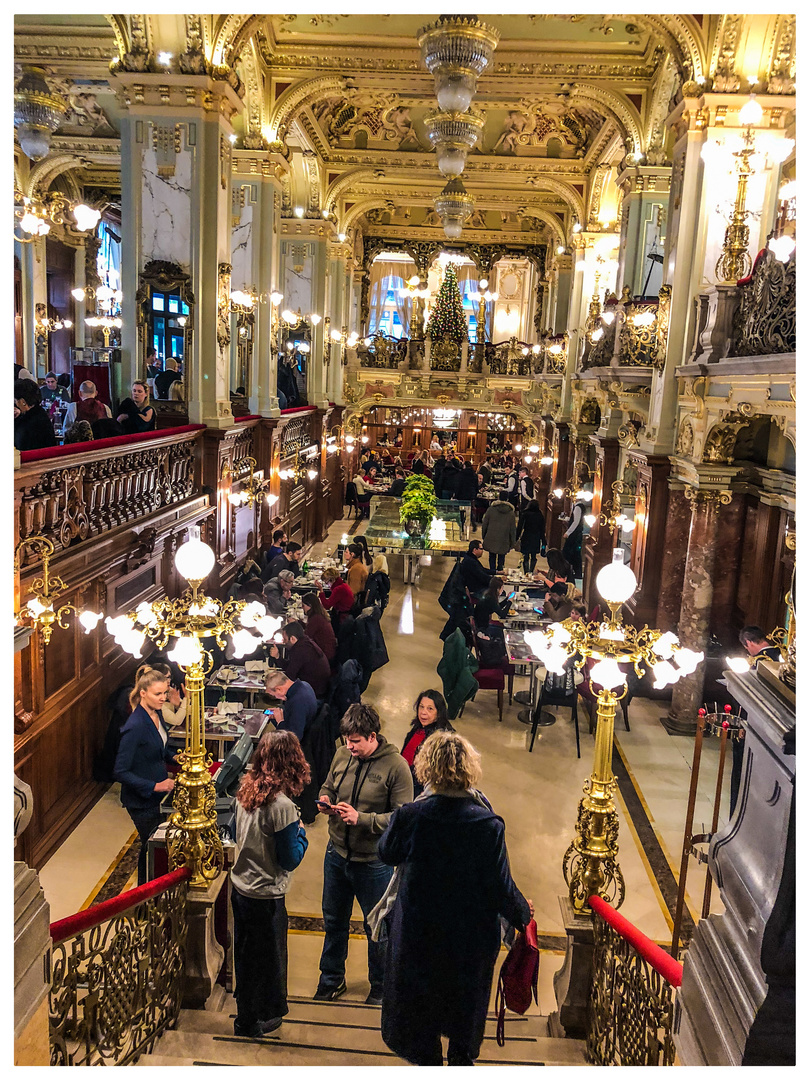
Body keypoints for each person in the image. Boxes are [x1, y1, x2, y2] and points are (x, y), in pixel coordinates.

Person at [378, 731, 533, 1066]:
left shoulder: (411, 816)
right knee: (461, 1025)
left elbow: (387, 852)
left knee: (422, 1024)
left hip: (420, 939)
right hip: (468, 943)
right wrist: (523, 912)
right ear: (468, 769)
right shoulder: (487, 824)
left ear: (426, 768)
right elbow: (500, 886)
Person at [315, 704, 414, 1006]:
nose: (350, 747)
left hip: (373, 863)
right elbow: (329, 784)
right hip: (336, 855)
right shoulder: (343, 754)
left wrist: (364, 820)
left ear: (373, 736)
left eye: (356, 741)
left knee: (377, 929)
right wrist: (325, 799)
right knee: (333, 922)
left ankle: (381, 988)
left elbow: (403, 819)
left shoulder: (396, 768)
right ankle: (331, 980)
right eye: (347, 740)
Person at [230, 731, 310, 1039]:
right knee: (268, 961)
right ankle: (257, 1021)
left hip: (241, 887)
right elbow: (289, 858)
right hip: (266, 894)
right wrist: (301, 833)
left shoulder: (246, 790)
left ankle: (244, 1017)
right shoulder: (282, 806)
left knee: (246, 956)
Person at [113, 667, 177, 884]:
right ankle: (145, 893)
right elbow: (120, 771)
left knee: (155, 844)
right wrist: (155, 786)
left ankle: (152, 888)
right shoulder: (135, 726)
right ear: (143, 693)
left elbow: (159, 748)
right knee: (151, 845)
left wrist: (175, 757)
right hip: (142, 801)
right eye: (157, 694)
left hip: (157, 797)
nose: (163, 698)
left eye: (164, 693)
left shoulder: (155, 714)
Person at [400, 690, 454, 796]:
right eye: (421, 707)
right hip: (406, 780)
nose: (423, 712)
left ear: (439, 713)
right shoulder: (419, 728)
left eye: (430, 709)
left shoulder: (442, 739)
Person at [269, 620, 331, 699]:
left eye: (285, 639)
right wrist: (277, 656)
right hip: (319, 690)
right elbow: (290, 667)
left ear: (292, 639)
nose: (283, 642)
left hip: (313, 695)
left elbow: (289, 677)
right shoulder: (304, 643)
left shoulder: (301, 651)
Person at [264, 668, 318, 741]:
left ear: (279, 689)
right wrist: (280, 714)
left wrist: (280, 721)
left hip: (303, 742)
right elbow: (295, 715)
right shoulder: (305, 685)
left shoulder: (297, 701)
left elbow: (294, 738)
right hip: (306, 726)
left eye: (274, 695)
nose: (276, 697)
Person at [14, 379, 57, 452]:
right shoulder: (40, 413)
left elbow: (18, 447)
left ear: (23, 402)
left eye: (15, 401)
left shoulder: (30, 423)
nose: (15, 404)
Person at [481, 489, 517, 573]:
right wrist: (512, 542)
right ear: (507, 499)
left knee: (492, 556)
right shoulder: (511, 513)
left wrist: (484, 535)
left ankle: (492, 572)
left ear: (498, 497)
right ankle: (500, 572)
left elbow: (485, 524)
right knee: (501, 557)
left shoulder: (491, 509)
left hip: (491, 537)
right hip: (504, 539)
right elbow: (512, 529)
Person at [301, 592, 337, 663]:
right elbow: (310, 628)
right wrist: (298, 623)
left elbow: (306, 637)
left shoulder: (316, 618)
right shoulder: (319, 615)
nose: (302, 608)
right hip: (328, 651)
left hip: (324, 655)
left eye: (303, 605)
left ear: (310, 605)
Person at [517, 499, 546, 574]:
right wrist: (544, 542)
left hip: (526, 536)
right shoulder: (540, 515)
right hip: (536, 538)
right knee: (533, 556)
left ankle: (526, 571)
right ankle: (531, 570)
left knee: (525, 555)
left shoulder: (525, 514)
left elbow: (520, 527)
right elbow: (542, 530)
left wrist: (516, 537)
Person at [562, 499, 585, 581]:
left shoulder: (578, 507)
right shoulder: (578, 507)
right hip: (576, 534)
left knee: (569, 552)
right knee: (574, 553)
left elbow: (576, 522)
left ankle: (571, 572)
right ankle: (574, 572)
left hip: (575, 535)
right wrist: (567, 519)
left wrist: (568, 533)